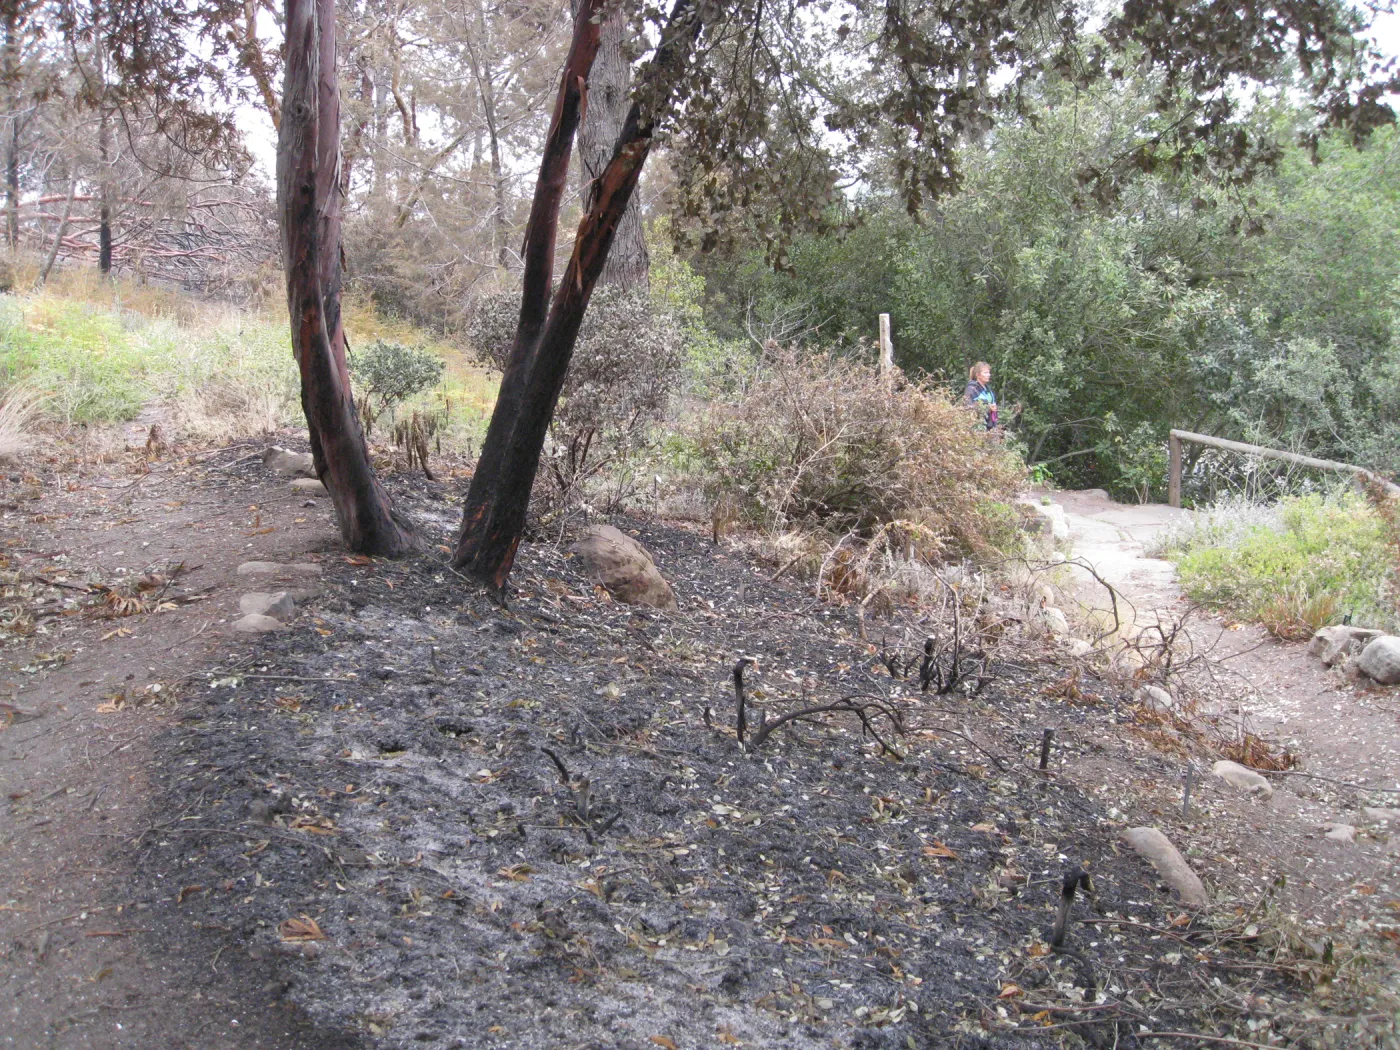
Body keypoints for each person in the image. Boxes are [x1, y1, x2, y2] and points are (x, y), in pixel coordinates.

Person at [963, 361, 1021, 434]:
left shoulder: (987, 389)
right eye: (985, 373)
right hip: (978, 428)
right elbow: (967, 408)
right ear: (978, 375)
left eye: (989, 372)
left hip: (991, 426)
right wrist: (987, 408)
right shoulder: (971, 389)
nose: (989, 375)